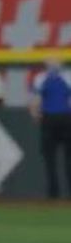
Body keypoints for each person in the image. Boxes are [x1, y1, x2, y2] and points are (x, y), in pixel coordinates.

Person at [29, 59, 71, 199]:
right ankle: (56, 193)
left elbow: (35, 100)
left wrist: (35, 114)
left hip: (52, 118)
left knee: (51, 159)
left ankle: (54, 194)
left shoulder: (41, 78)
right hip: (63, 118)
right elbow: (36, 99)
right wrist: (35, 113)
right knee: (61, 158)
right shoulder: (66, 76)